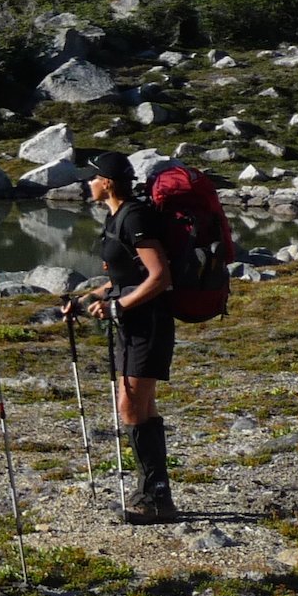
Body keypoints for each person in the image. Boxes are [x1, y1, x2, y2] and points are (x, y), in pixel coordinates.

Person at [64, 150, 176, 524]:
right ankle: (155, 494)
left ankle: (154, 497)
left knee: (130, 406)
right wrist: (90, 299)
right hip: (134, 322)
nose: (88, 183)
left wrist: (119, 307)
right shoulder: (117, 217)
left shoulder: (135, 217)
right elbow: (125, 276)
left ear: (107, 182)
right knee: (141, 405)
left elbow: (160, 276)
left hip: (148, 323)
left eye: (92, 178)